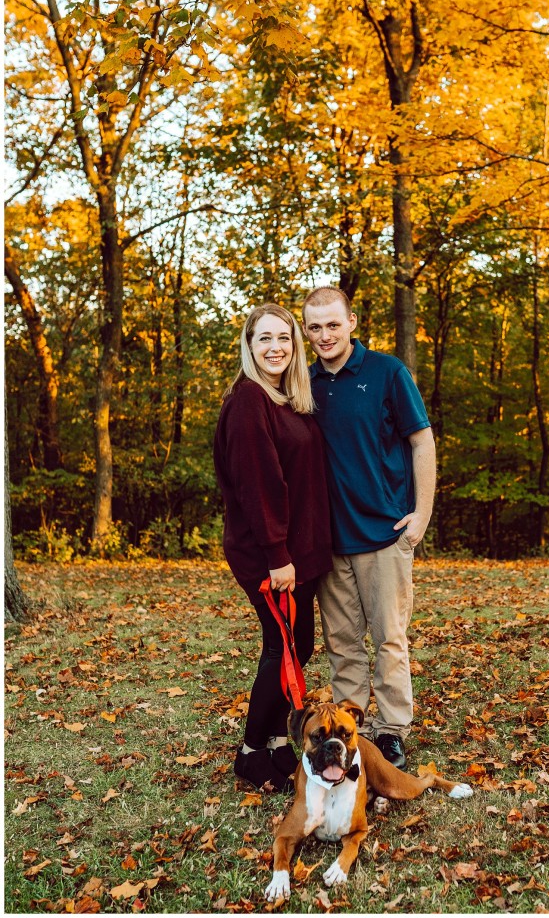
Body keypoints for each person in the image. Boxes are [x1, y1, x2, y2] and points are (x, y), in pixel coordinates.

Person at [302, 287, 436, 770]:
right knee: (342, 645)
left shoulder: (387, 372)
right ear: (306, 331)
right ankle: (347, 729)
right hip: (330, 540)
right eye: (314, 327)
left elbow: (421, 441)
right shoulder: (304, 382)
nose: (325, 335)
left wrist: (421, 513)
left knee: (389, 640)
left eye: (333, 324)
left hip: (384, 532)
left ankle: (393, 730)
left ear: (352, 322)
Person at [213, 303, 332, 791]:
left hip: (298, 553)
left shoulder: (287, 399)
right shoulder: (249, 400)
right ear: (249, 345)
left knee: (297, 645)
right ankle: (250, 752)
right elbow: (258, 485)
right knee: (282, 646)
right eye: (264, 338)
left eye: (283, 337)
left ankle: (279, 742)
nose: (275, 347)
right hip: (269, 554)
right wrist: (278, 555)